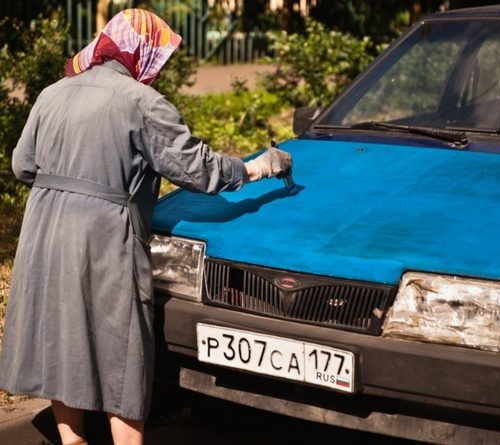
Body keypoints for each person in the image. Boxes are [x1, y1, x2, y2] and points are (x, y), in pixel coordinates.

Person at [0, 8, 291, 445]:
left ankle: (73, 440)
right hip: (103, 236)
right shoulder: (142, 102)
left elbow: (22, 166)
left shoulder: (52, 93)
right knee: (121, 344)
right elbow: (199, 170)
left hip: (44, 230)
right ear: (143, 52)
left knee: (61, 332)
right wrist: (256, 168)